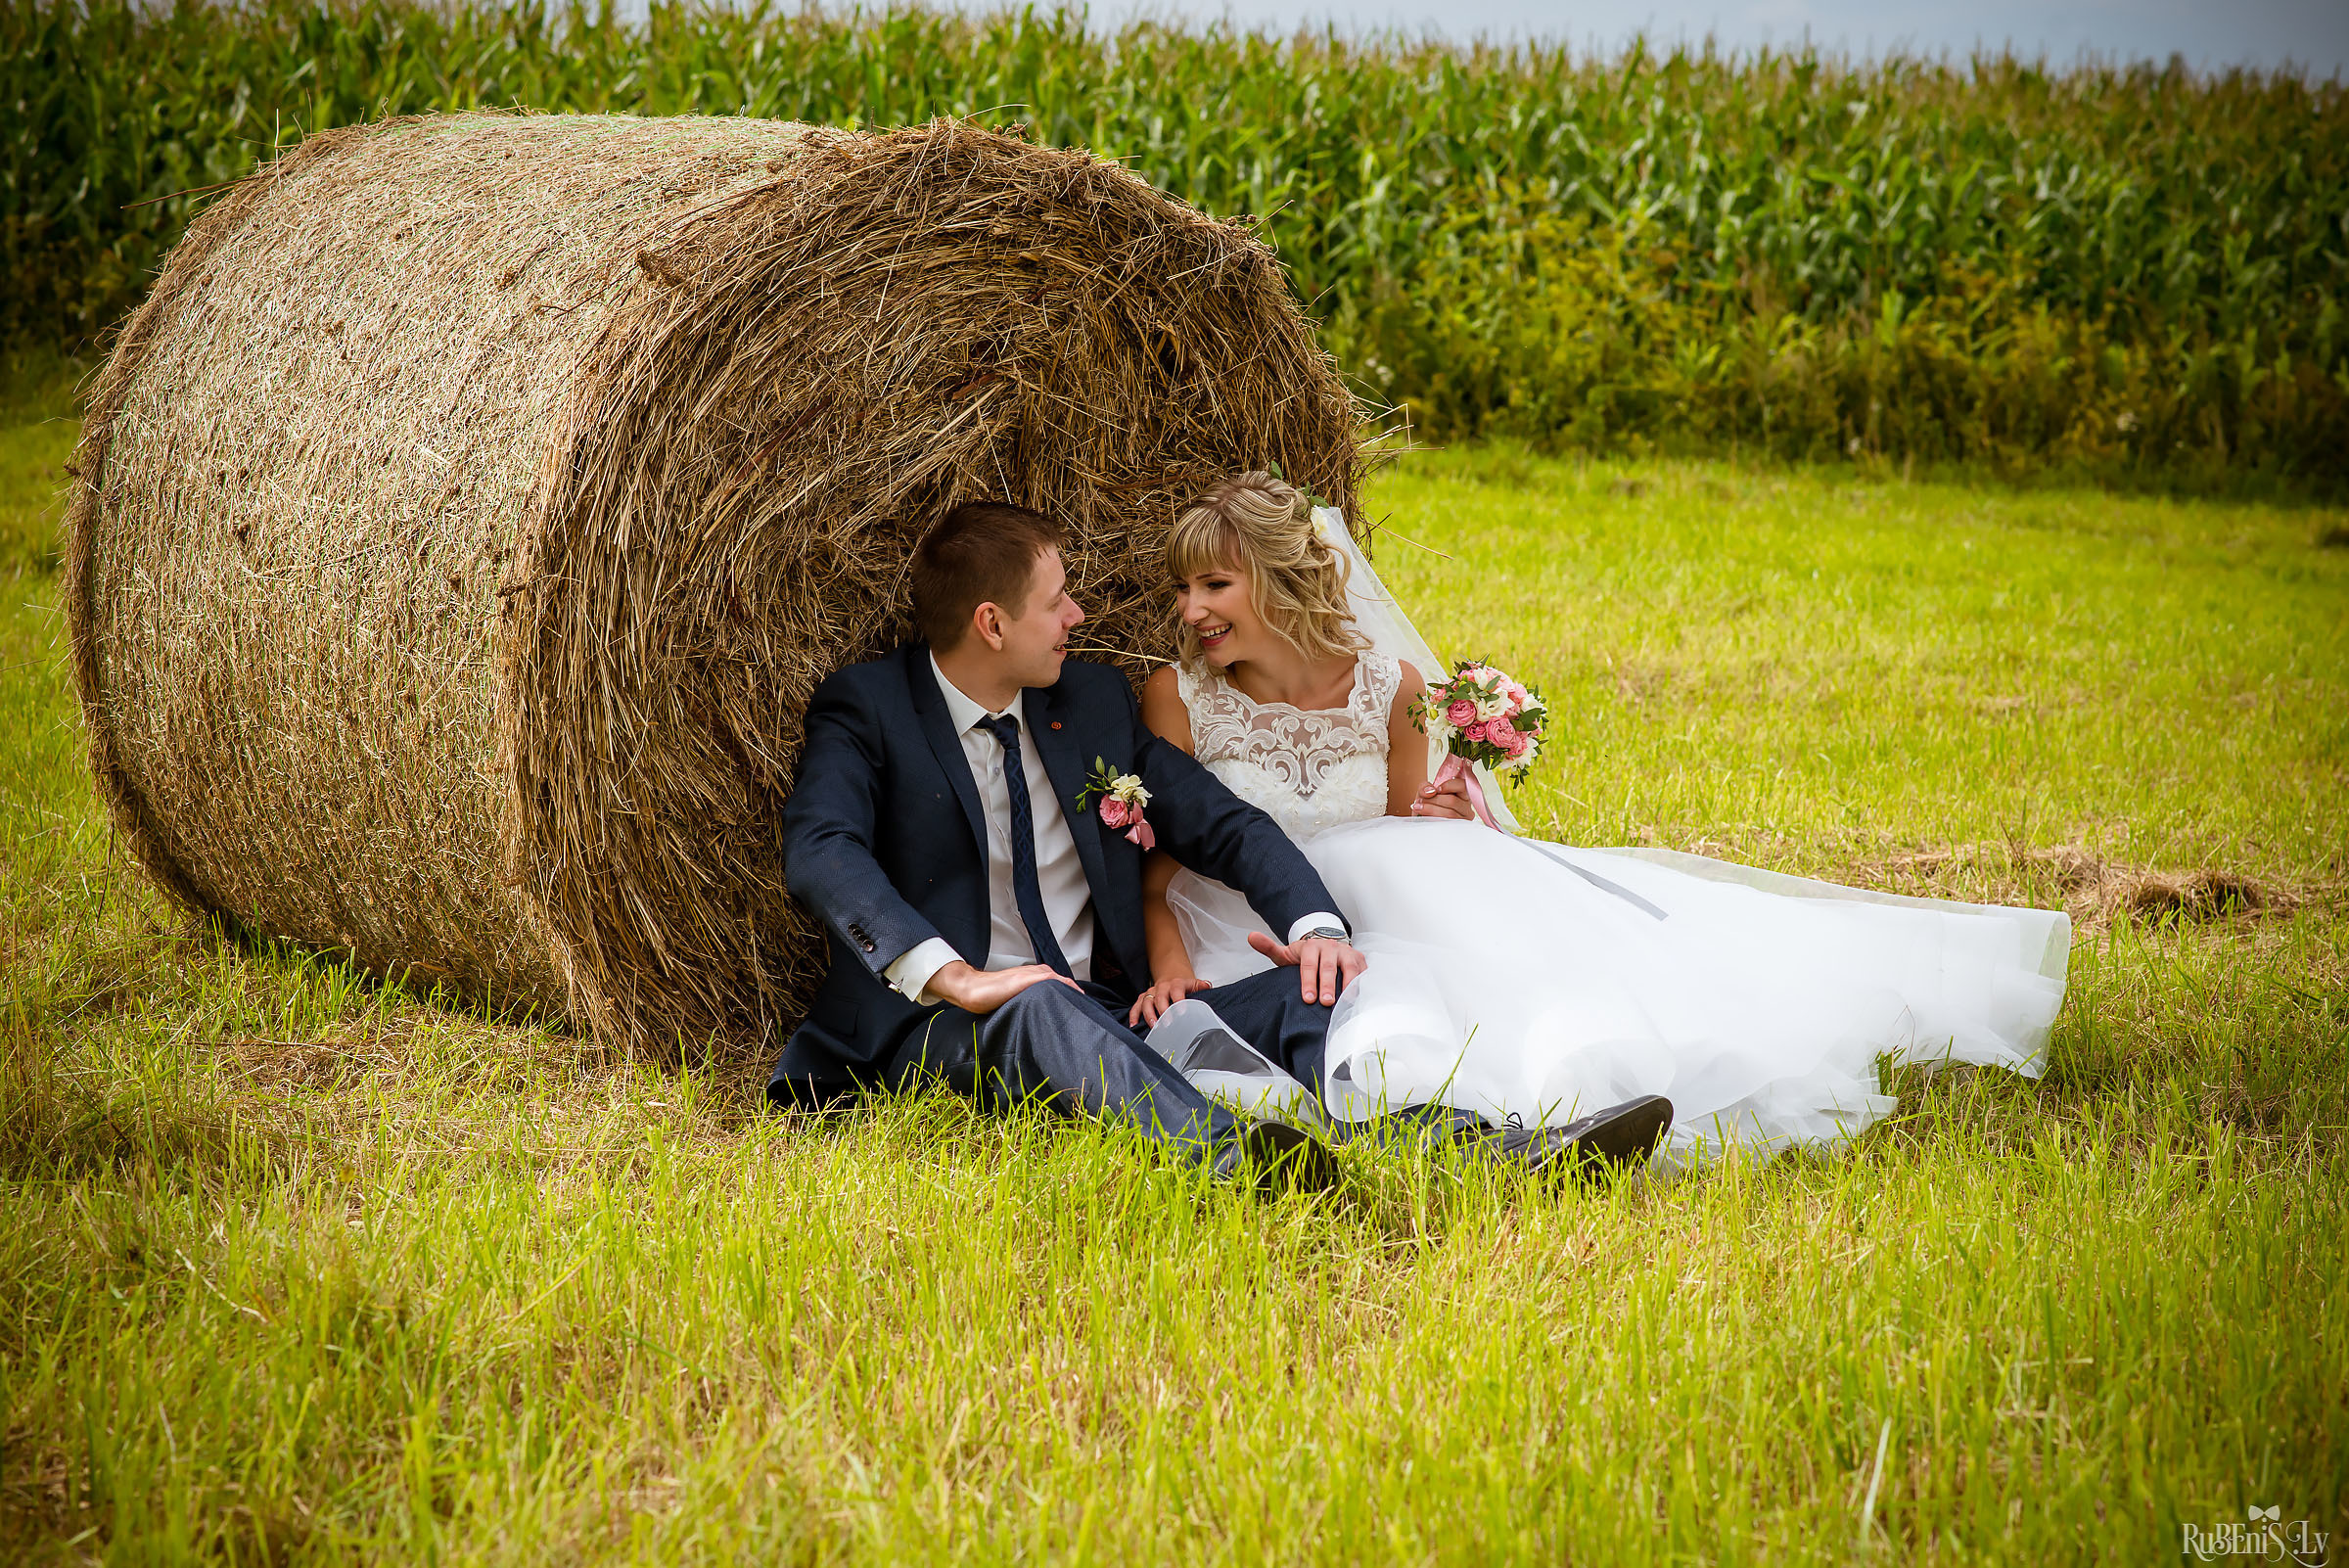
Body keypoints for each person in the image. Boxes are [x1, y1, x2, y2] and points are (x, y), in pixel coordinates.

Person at [1137, 472, 2071, 1167]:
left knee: (1474, 919)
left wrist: (1443, 814)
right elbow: (1164, 866)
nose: (1192, 610)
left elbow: (1391, 824)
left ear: (1278, 578)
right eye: (1185, 591)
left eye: (1213, 586)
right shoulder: (1179, 698)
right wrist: (1172, 970)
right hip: (1247, 918)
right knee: (1389, 1008)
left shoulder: (1392, 686)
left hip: (1369, 892)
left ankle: (1589, 1074)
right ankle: (1479, 1123)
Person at [769, 500, 1672, 1185]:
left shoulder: (1083, 704)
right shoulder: (870, 709)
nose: (1080, 615)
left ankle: (1494, 1146)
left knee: (1302, 998)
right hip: (950, 1025)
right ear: (992, 625)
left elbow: (1225, 824)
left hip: (1108, 1008)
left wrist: (1315, 924)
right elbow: (823, 849)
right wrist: (959, 977)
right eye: (1057, 602)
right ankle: (1243, 1164)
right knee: (1042, 1005)